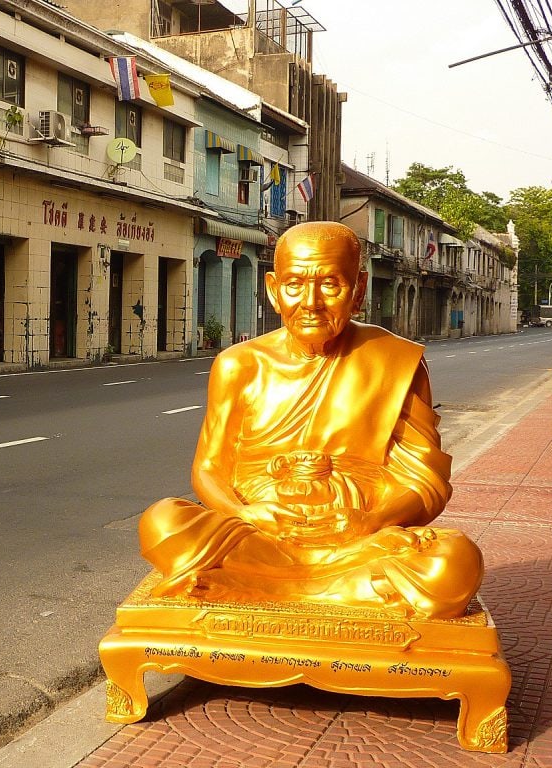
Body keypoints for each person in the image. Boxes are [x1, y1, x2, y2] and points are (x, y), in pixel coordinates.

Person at [140, 221, 483, 620]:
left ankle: (261, 588)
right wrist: (245, 513)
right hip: (260, 534)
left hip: (356, 539)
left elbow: (425, 481)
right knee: (163, 521)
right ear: (273, 290)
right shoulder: (239, 364)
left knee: (455, 562)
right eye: (294, 284)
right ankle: (332, 590)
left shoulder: (395, 361)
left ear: (358, 291)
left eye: (330, 284)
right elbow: (210, 468)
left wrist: (370, 521)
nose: (310, 302)